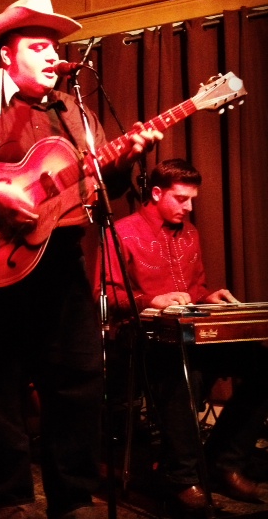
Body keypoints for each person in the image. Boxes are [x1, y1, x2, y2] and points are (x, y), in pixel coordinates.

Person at [0, 0, 163, 519]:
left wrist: (126, 159)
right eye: (39, 46)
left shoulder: (76, 112)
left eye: (55, 47)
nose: (52, 55)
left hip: (61, 262)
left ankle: (74, 499)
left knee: (79, 380)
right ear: (6, 54)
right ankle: (10, 500)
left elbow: (100, 187)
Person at [96, 158, 268, 513]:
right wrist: (150, 300)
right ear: (157, 193)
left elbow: (194, 289)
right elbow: (105, 294)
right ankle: (181, 476)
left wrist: (208, 297)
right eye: (181, 198)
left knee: (262, 364)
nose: (189, 207)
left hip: (189, 334)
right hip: (140, 340)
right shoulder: (122, 231)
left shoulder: (189, 232)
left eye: (192, 199)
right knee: (180, 369)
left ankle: (224, 461)